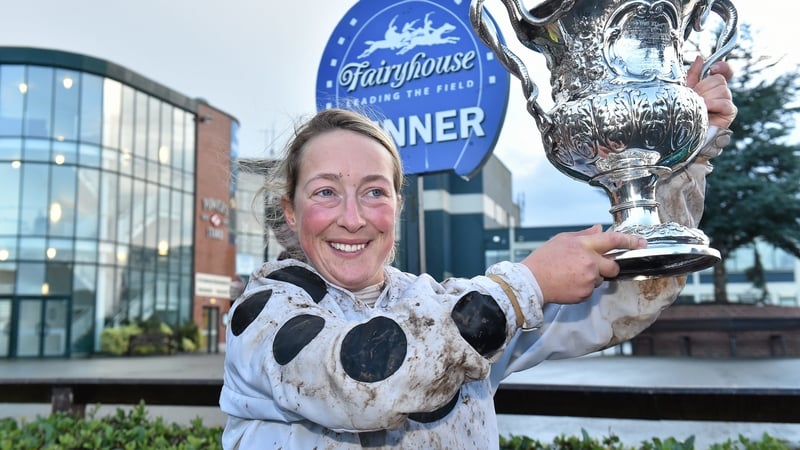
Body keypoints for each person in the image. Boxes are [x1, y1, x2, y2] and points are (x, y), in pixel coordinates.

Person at [219, 57, 736, 449]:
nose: (352, 217)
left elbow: (630, 301)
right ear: (289, 211)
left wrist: (673, 156)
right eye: (325, 191)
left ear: (398, 206)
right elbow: (362, 381)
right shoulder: (263, 314)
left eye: (375, 191)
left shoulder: (445, 304)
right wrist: (522, 286)